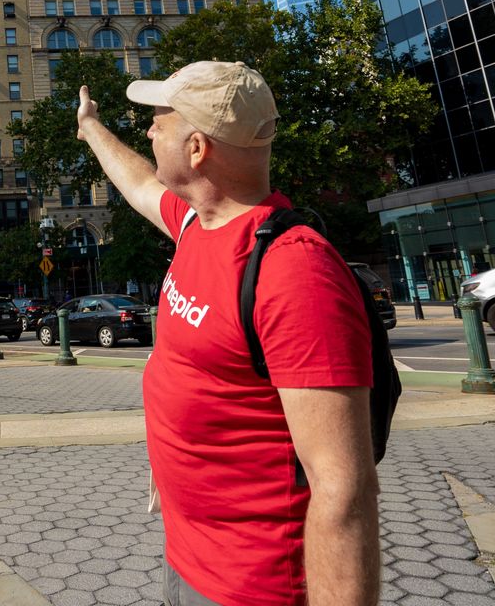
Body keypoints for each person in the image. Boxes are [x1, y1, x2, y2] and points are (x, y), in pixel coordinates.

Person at [75, 61, 377, 606]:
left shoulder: (294, 270)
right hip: (189, 558)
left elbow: (343, 491)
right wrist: (92, 129)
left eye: (159, 120)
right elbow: (140, 182)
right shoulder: (197, 222)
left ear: (196, 148)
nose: (148, 130)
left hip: (251, 584)